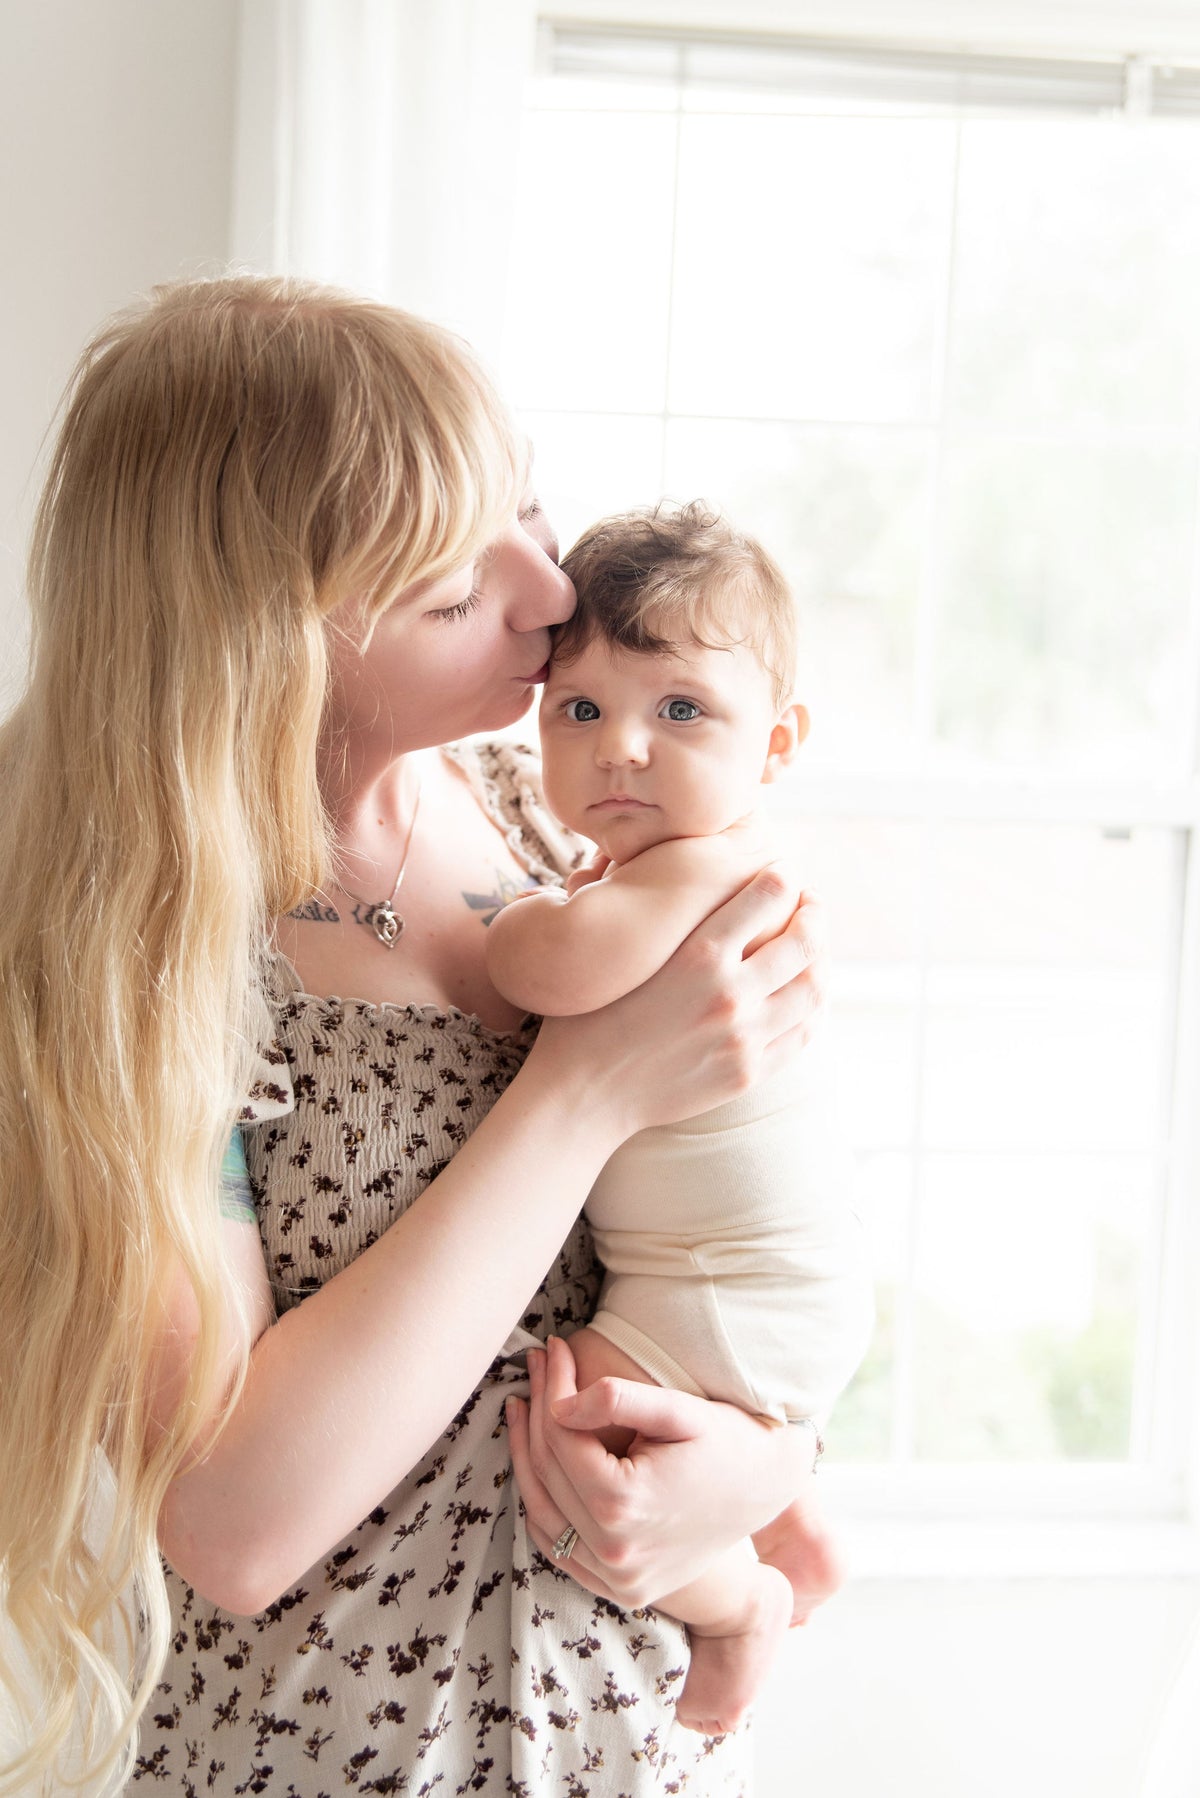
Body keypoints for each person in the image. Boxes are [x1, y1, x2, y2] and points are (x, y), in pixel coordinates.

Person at [0, 275, 831, 1798]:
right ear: (262, 639)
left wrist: (764, 1471)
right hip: (326, 1752)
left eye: (530, 503)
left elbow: (738, 1228)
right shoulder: (119, 953)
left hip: (627, 1737)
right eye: (455, 587)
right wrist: (583, 1088)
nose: (551, 591)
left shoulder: (548, 815)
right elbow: (235, 1520)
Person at [485, 501, 872, 1735]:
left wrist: (518, 915)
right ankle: (798, 1530)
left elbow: (543, 969)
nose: (622, 749)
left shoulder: (695, 869)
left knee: (575, 1449)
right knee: (679, 1433)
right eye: (580, 710)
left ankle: (736, 1603)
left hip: (721, 1290)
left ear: (777, 740)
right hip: (759, 1284)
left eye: (681, 710)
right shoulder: (683, 865)